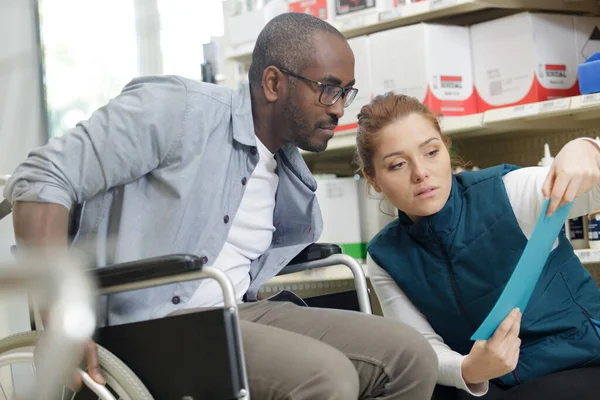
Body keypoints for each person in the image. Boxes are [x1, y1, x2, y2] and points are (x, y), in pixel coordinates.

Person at [4, 13, 439, 400]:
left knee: (411, 357)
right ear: (273, 83)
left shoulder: (289, 172)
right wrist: (61, 320)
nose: (339, 109)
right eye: (328, 90)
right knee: (326, 379)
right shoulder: (178, 111)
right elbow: (42, 177)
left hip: (235, 312)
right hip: (148, 323)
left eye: (346, 92)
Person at [355, 92, 600, 400]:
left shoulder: (508, 192)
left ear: (446, 148)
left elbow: (593, 189)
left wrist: (588, 150)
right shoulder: (385, 256)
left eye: (431, 152)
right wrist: (469, 369)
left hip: (579, 363)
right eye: (398, 164)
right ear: (373, 179)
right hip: (487, 383)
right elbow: (423, 347)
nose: (420, 173)